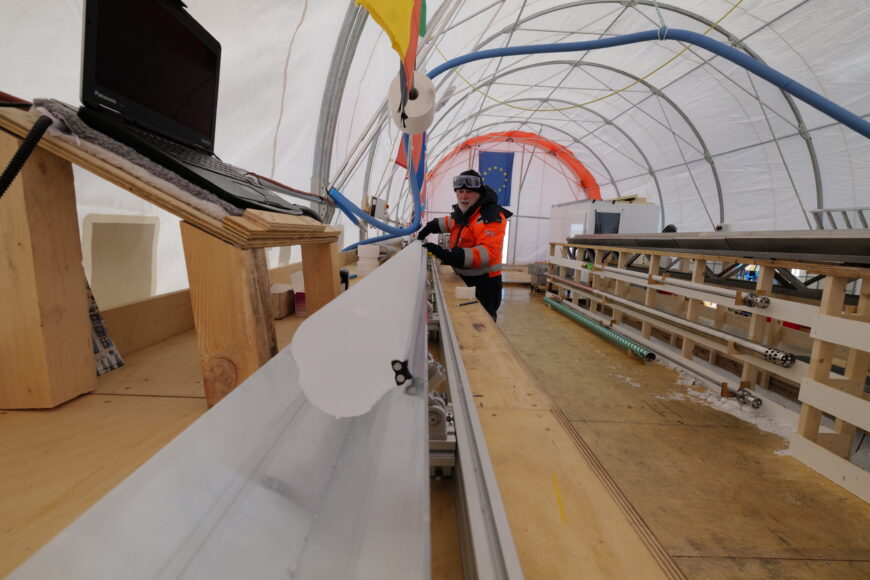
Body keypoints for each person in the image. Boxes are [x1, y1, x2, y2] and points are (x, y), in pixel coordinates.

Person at [416, 169, 512, 321]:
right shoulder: (468, 211)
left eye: (468, 192)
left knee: (481, 325)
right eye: (460, 191)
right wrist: (429, 227)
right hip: (465, 278)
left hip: (484, 285)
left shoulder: (490, 216)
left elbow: (486, 254)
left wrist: (447, 255)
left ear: (478, 193)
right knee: (463, 321)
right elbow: (453, 223)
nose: (463, 196)